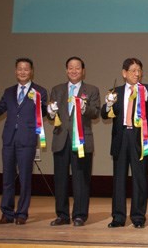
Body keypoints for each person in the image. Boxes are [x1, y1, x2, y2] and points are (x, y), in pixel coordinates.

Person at [0, 58, 47, 225]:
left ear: (31, 71)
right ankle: (7, 213)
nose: (22, 72)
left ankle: (22, 213)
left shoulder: (40, 91)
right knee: (7, 179)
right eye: (19, 69)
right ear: (15, 71)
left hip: (27, 140)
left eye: (26, 69)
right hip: (9, 139)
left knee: (25, 179)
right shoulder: (9, 91)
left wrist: (47, 108)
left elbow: (44, 113)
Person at [101, 58, 148, 228]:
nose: (137, 73)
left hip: (139, 138)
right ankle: (118, 217)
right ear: (124, 73)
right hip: (121, 137)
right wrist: (108, 104)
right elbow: (105, 115)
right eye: (133, 70)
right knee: (119, 180)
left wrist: (147, 97)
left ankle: (138, 217)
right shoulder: (116, 91)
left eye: (139, 70)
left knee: (140, 179)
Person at [47, 57, 101, 227]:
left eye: (77, 68)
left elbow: (95, 112)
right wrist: (49, 112)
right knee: (60, 180)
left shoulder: (91, 89)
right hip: (61, 139)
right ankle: (62, 215)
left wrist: (84, 108)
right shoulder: (57, 90)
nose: (74, 71)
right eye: (70, 68)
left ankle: (80, 215)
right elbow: (52, 115)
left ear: (83, 70)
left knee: (81, 180)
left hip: (82, 140)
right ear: (66, 70)